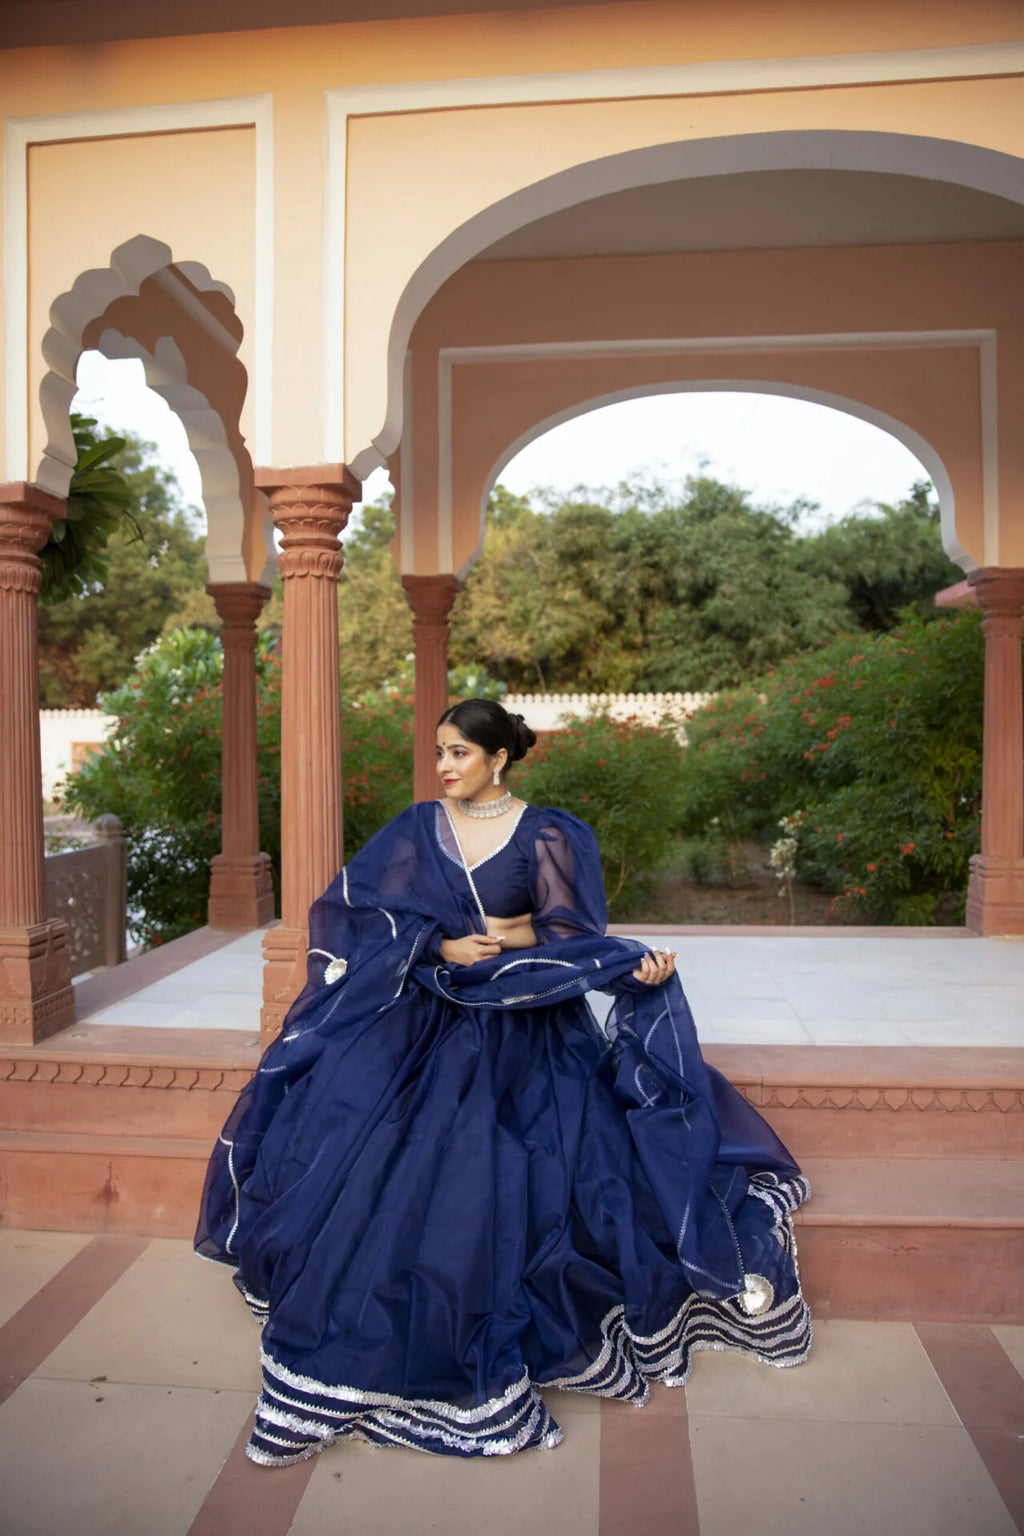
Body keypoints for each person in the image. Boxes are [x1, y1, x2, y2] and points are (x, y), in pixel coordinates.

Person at [195, 698, 811, 1465]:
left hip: (523, 1015)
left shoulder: (549, 833)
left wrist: (591, 957)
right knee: (359, 1125)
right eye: (440, 752)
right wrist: (441, 947)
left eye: (459, 753)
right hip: (423, 1009)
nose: (444, 766)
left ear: (499, 759)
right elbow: (358, 917)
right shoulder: (416, 828)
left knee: (507, 1148)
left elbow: (570, 934)